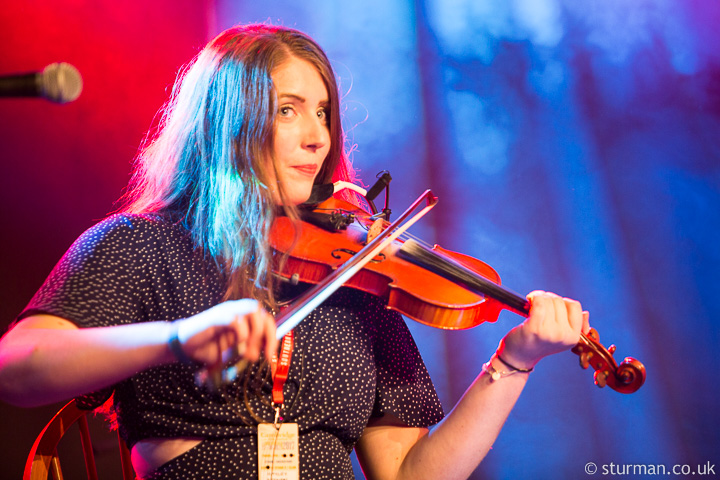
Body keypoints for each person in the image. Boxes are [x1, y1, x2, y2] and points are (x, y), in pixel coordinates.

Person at [0, 24, 588, 479]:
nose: (318, 136)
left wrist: (513, 363)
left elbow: (410, 471)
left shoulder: (358, 275)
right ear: (228, 121)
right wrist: (178, 337)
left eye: (322, 112)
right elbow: (17, 366)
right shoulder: (141, 244)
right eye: (288, 110)